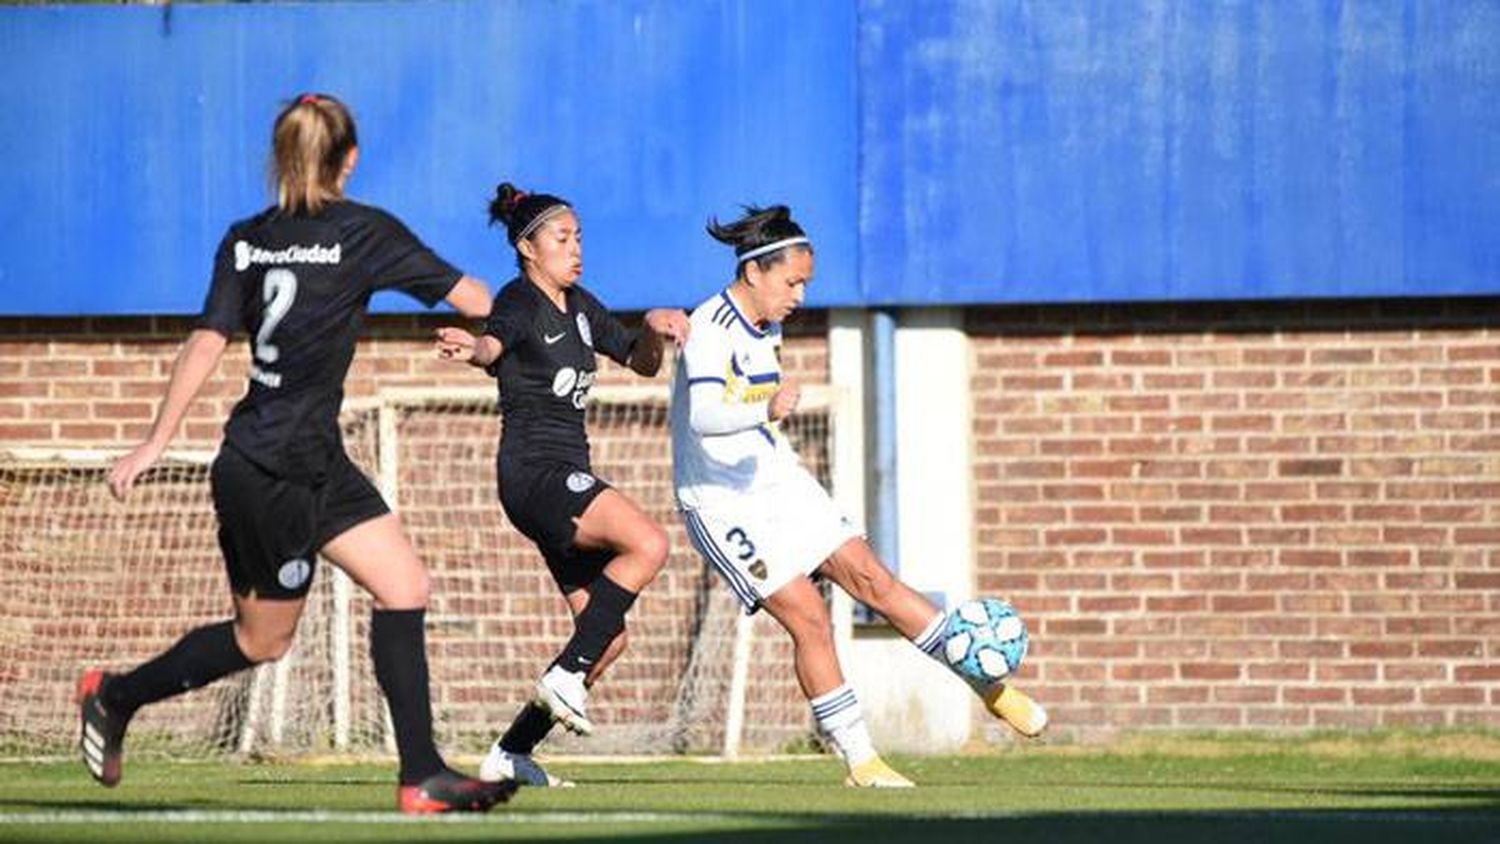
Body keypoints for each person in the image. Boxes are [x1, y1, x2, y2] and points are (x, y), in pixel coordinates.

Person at [80, 93, 514, 814]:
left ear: (282, 158)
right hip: (272, 470)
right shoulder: (363, 231)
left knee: (404, 584)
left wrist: (156, 439)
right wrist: (516, 331)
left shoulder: (246, 238)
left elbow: (209, 339)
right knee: (263, 641)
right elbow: (475, 297)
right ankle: (114, 694)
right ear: (350, 159)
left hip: (307, 456)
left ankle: (421, 777)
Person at [669, 205, 1048, 788]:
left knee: (874, 579)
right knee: (810, 616)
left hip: (778, 480)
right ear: (754, 272)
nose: (799, 295)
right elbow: (704, 419)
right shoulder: (708, 329)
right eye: (792, 282)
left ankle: (986, 684)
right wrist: (763, 408)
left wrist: (765, 420)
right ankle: (862, 761)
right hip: (721, 504)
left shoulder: (768, 325)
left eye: (805, 283)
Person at [434, 183, 690, 788]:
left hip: (556, 481)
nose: (575, 249)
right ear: (528, 247)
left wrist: (653, 326)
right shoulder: (520, 300)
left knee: (606, 639)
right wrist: (474, 348)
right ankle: (564, 677)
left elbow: (642, 360)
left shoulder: (580, 303)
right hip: (535, 475)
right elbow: (495, 343)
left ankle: (510, 753)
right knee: (649, 544)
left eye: (578, 237)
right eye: (561, 238)